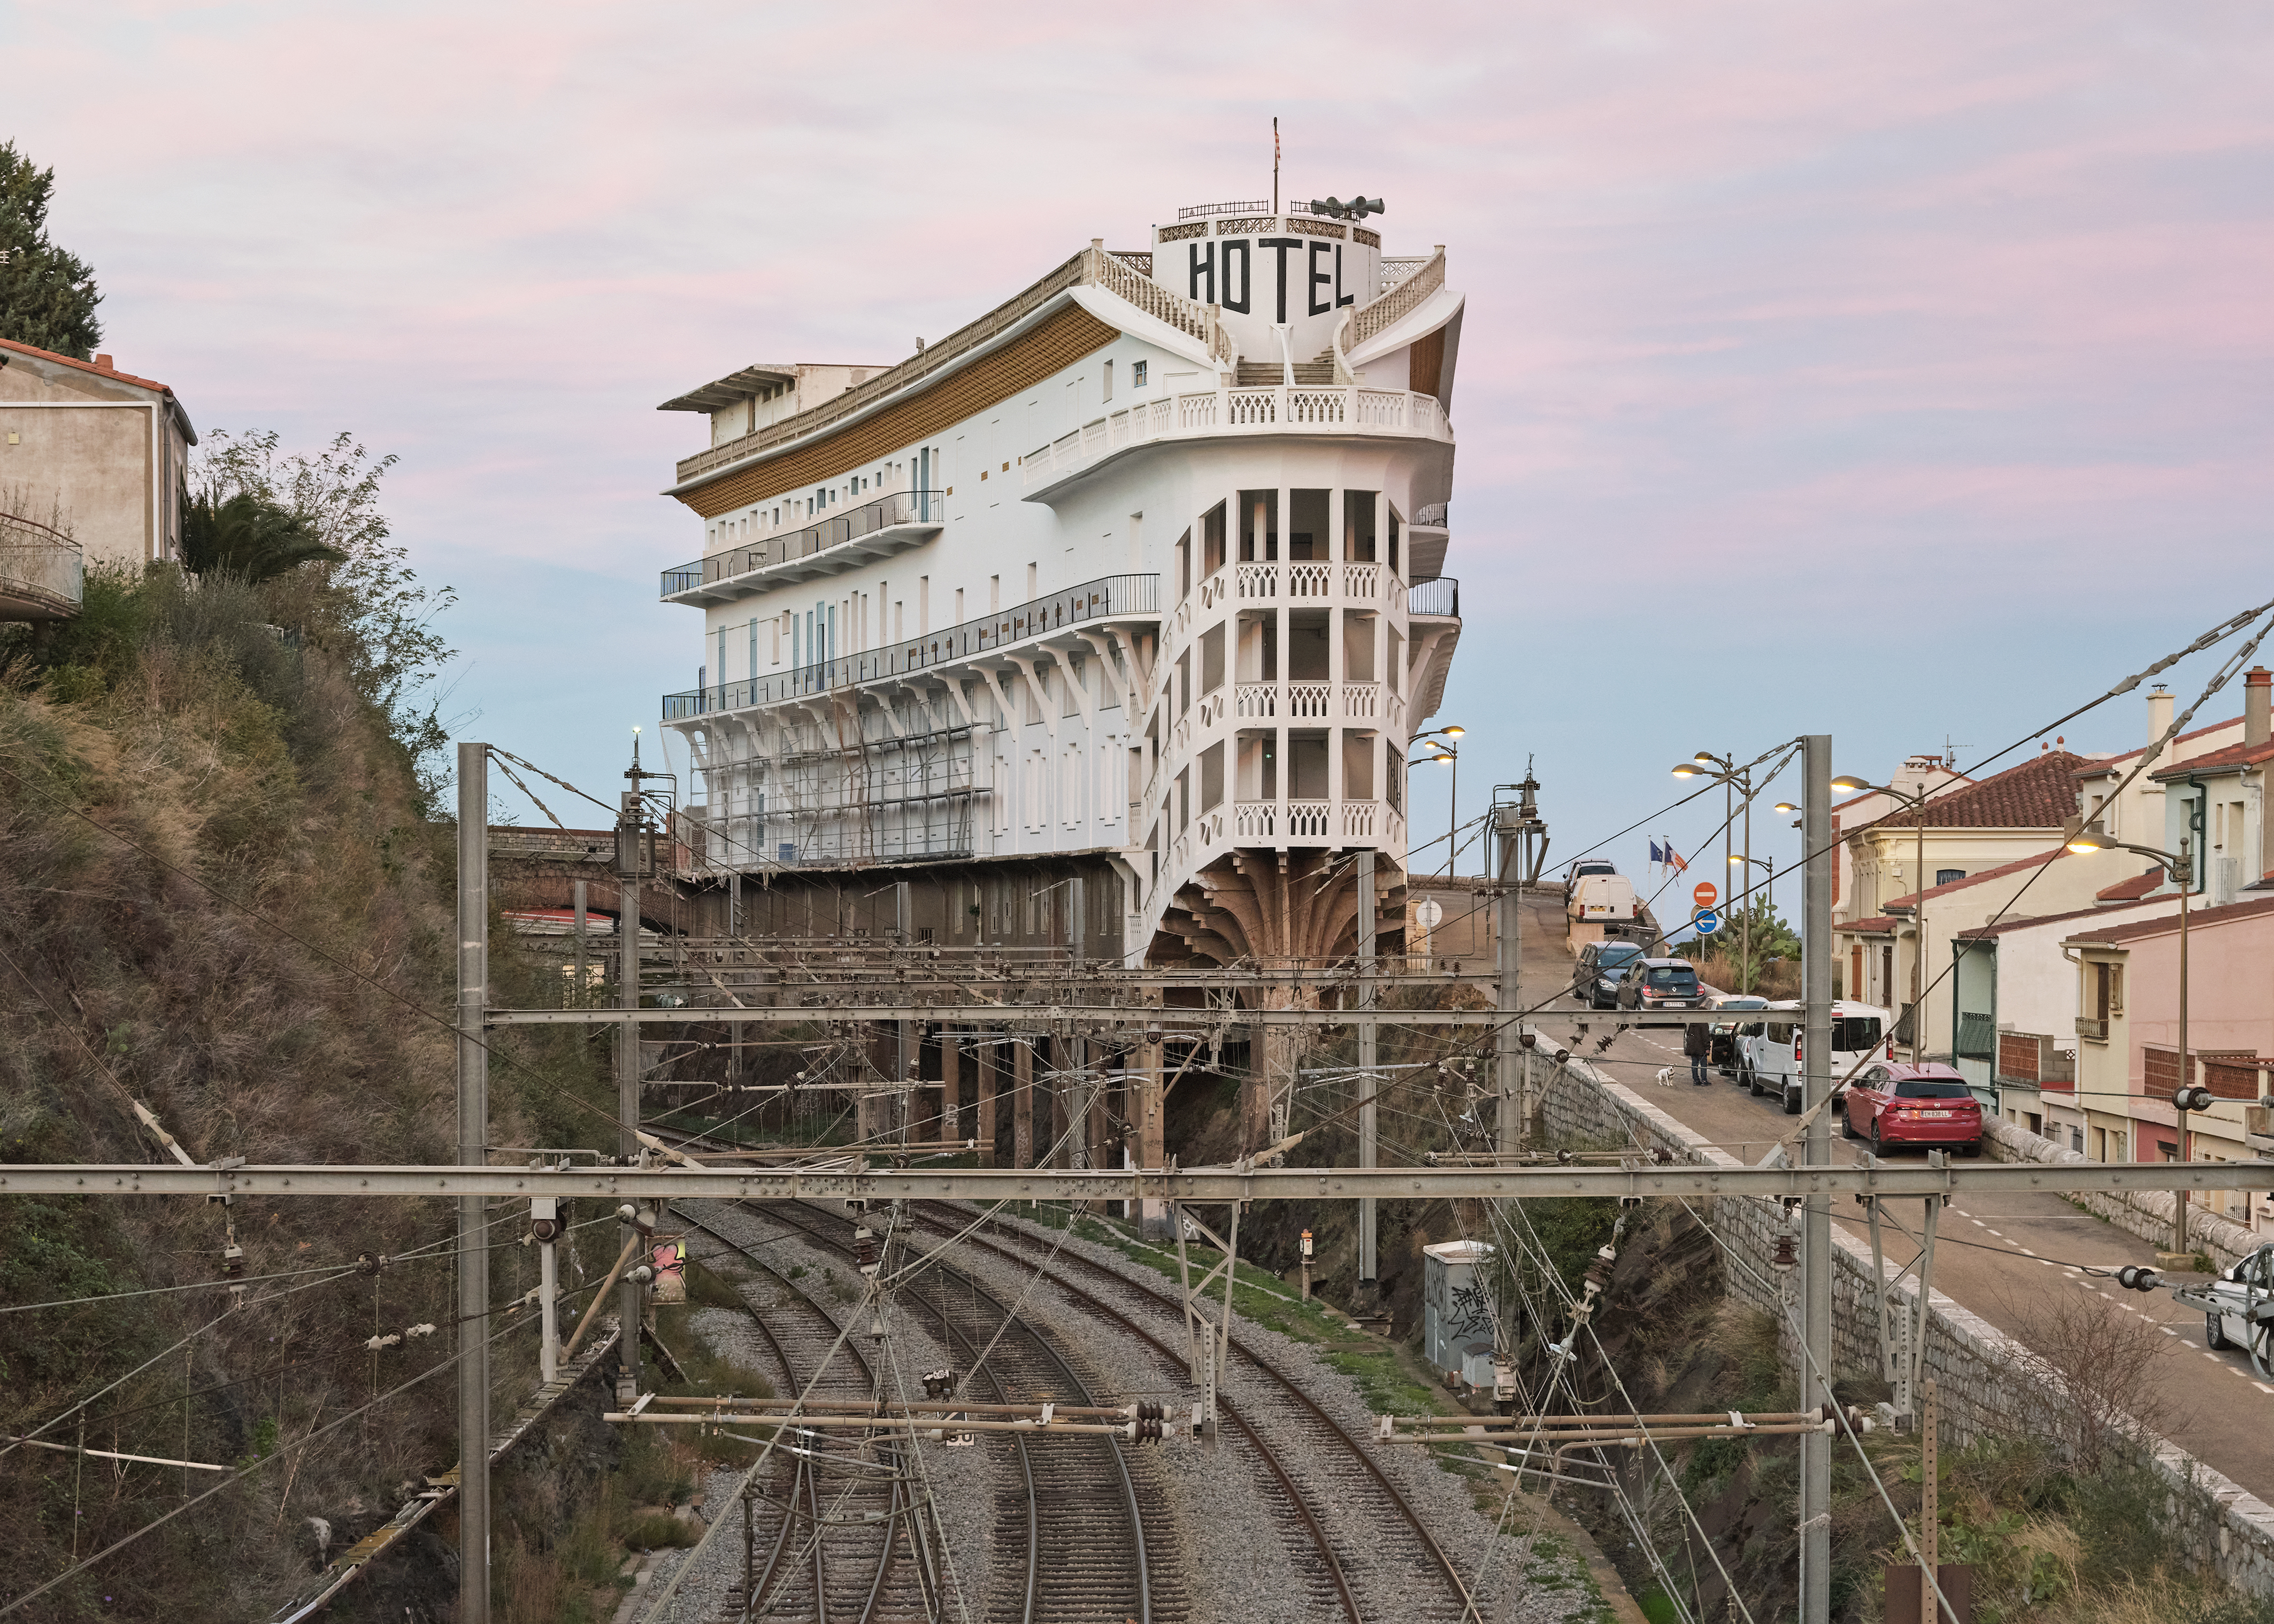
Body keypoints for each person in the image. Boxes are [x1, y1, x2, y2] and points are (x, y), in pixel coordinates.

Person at [1683, 1021, 1710, 1086]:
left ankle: (1696, 1080)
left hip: (1693, 1048)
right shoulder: (1704, 1024)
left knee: (1694, 1064)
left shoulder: (1692, 1024)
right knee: (1703, 1065)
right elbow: (1706, 1036)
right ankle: (1704, 1080)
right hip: (1701, 1048)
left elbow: (1689, 1035)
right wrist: (1707, 1047)